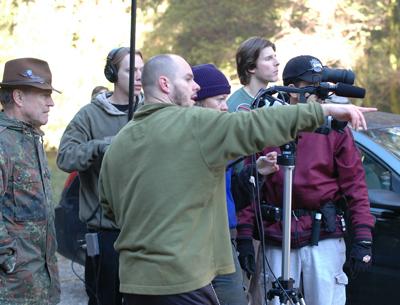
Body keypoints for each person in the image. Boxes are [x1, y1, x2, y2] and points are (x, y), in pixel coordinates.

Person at [97, 53, 375, 305]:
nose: (195, 87)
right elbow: (253, 124)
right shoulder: (194, 123)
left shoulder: (119, 142)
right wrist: (323, 111)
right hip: (182, 281)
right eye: (189, 79)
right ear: (165, 84)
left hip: (135, 283)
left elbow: (109, 207)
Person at [236, 55, 375, 305]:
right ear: (291, 90)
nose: (317, 98)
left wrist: (363, 238)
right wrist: (245, 237)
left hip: (322, 239)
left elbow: (355, 185)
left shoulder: (335, 130)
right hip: (276, 239)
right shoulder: (267, 125)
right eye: (310, 89)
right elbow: (251, 185)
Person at [56, 47, 144, 305]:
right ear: (112, 74)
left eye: (142, 70)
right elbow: (65, 157)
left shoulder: (151, 111)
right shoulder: (89, 115)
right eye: (131, 70)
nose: (138, 76)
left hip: (146, 230)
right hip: (107, 234)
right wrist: (101, 145)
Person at [0, 58, 60, 305]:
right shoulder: (3, 142)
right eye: (44, 94)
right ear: (19, 97)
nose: (51, 102)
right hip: (12, 290)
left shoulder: (30, 138)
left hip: (40, 286)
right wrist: (8, 259)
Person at [227, 37, 279, 112]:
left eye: (275, 56)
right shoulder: (234, 107)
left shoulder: (273, 103)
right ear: (251, 67)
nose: (277, 62)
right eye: (268, 58)